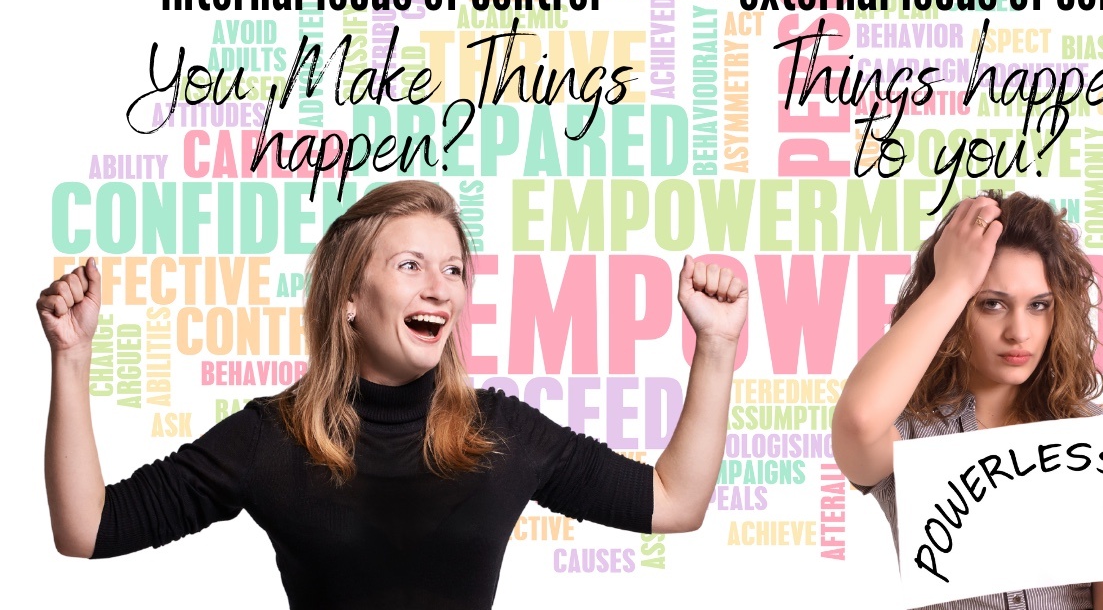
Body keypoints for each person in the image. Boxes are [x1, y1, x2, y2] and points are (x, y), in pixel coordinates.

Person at [40, 180, 749, 609]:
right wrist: (72, 357)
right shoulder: (272, 438)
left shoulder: (500, 433)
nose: (440, 286)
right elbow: (89, 529)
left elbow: (674, 502)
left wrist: (715, 346)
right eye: (410, 265)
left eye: (453, 269)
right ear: (350, 297)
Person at [832, 192, 1103, 609]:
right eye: (992, 304)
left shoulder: (1092, 437)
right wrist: (953, 281)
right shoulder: (910, 435)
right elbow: (857, 421)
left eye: (1038, 305)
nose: (1019, 331)